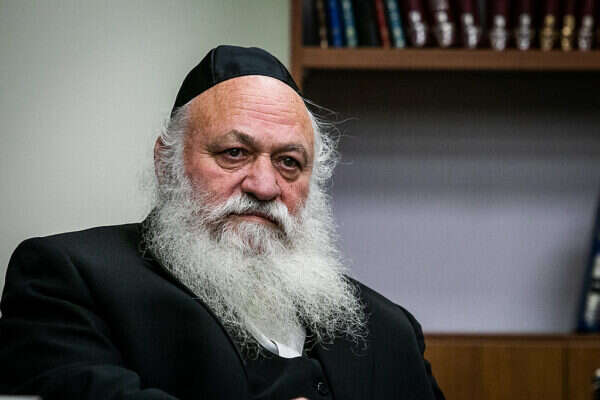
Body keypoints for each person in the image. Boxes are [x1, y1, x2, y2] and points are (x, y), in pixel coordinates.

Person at [0, 45, 444, 400]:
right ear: (166, 163)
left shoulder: (389, 329)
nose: (264, 186)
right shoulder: (69, 278)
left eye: (289, 162)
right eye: (235, 153)